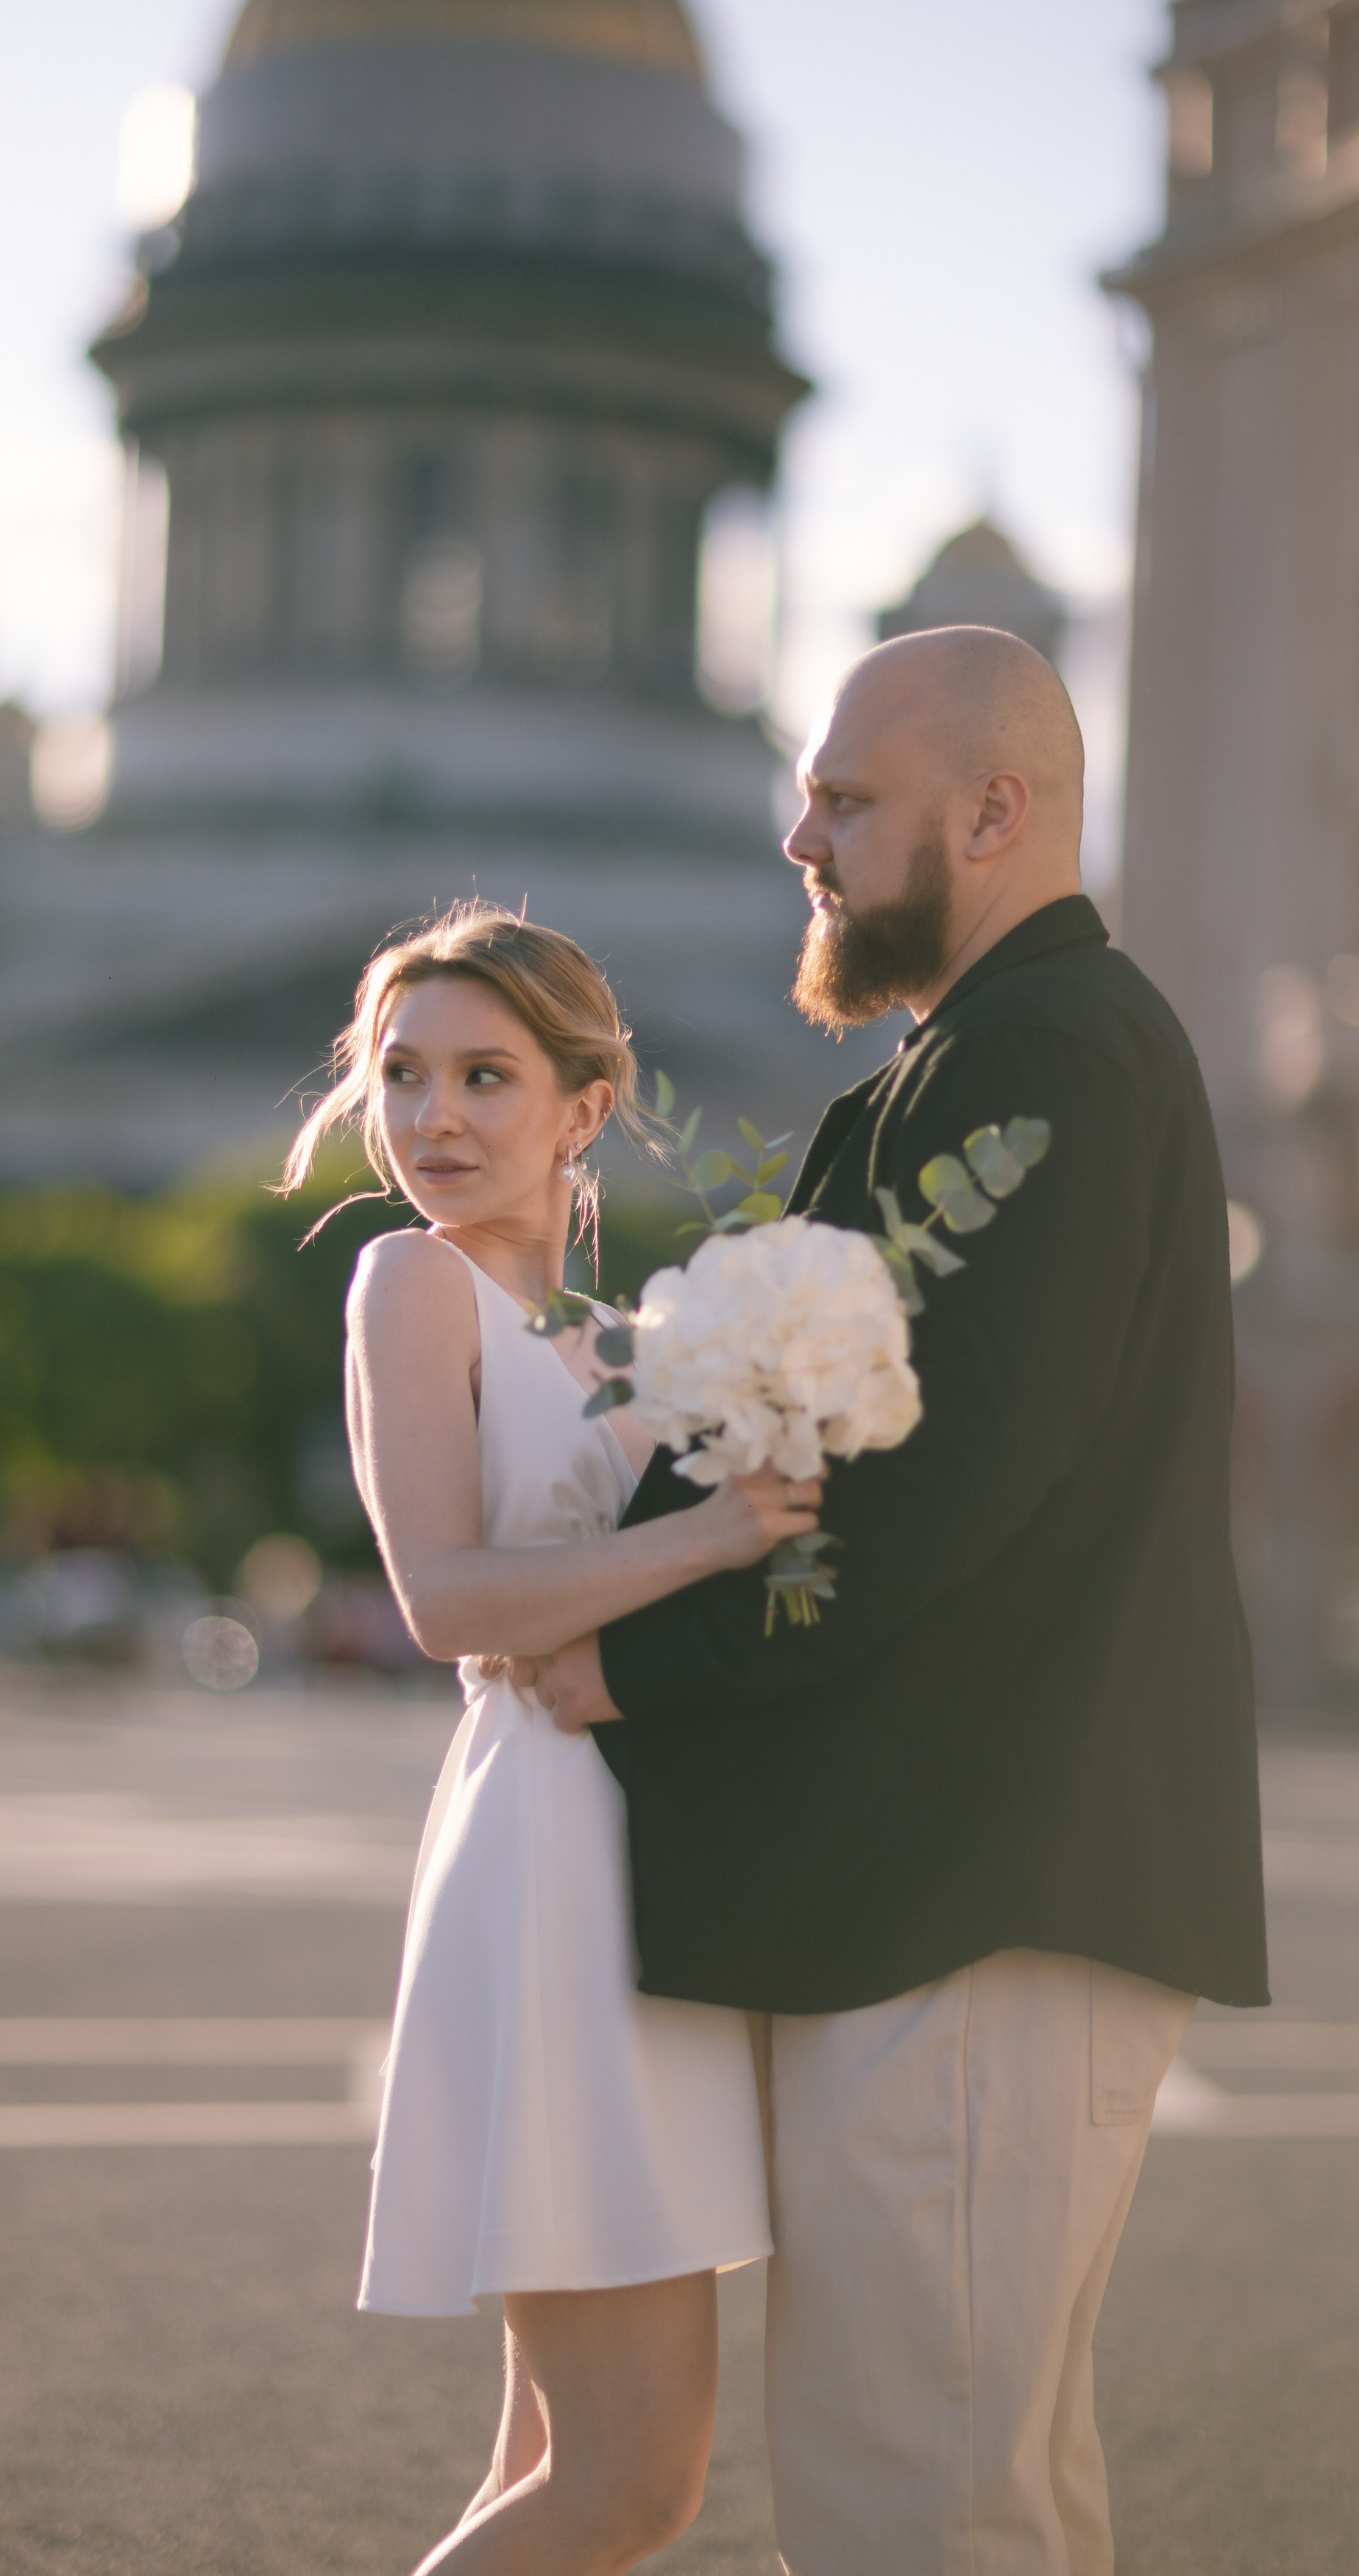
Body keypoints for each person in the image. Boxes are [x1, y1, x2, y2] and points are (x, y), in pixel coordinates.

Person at [516, 624, 1271, 2576]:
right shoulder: (979, 1055)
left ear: (990, 809)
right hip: (951, 1891)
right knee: (946, 2491)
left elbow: (934, 1493)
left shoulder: (1039, 1055)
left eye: (843, 798)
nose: (796, 835)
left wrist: (616, 1661)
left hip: (975, 1889)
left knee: (921, 2508)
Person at [282, 905, 822, 2576]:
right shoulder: (407, 1282)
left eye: (484, 1076)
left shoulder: (626, 1341)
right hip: (549, 1867)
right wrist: (708, 1540)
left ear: (586, 1107)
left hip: (641, 1864)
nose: (433, 1116)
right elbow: (446, 1601)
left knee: (545, 2457)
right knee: (631, 2482)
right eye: (404, 1073)